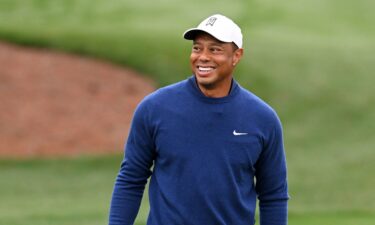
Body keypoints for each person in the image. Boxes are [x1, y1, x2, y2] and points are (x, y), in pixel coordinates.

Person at [108, 14, 289, 225]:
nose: (202, 57)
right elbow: (131, 179)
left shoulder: (262, 119)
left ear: (236, 56)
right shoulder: (154, 108)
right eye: (197, 48)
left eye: (215, 49)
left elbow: (273, 195)